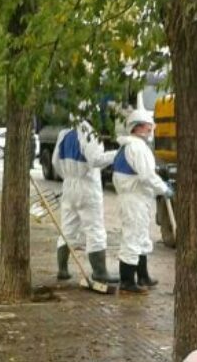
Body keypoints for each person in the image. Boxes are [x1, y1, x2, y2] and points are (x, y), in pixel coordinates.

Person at [50, 118, 117, 284]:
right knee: (95, 229)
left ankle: (63, 270)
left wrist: (67, 176)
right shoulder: (89, 133)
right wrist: (117, 154)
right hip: (87, 185)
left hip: (69, 185)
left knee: (67, 228)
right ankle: (100, 272)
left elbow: (54, 162)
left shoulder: (64, 134)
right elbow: (96, 160)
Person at [113, 109, 171, 294]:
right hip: (133, 199)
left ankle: (143, 275)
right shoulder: (136, 147)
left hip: (137, 198)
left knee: (141, 236)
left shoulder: (133, 146)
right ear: (138, 127)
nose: (151, 128)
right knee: (132, 236)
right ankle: (127, 280)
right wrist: (164, 188)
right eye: (148, 125)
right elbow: (147, 176)